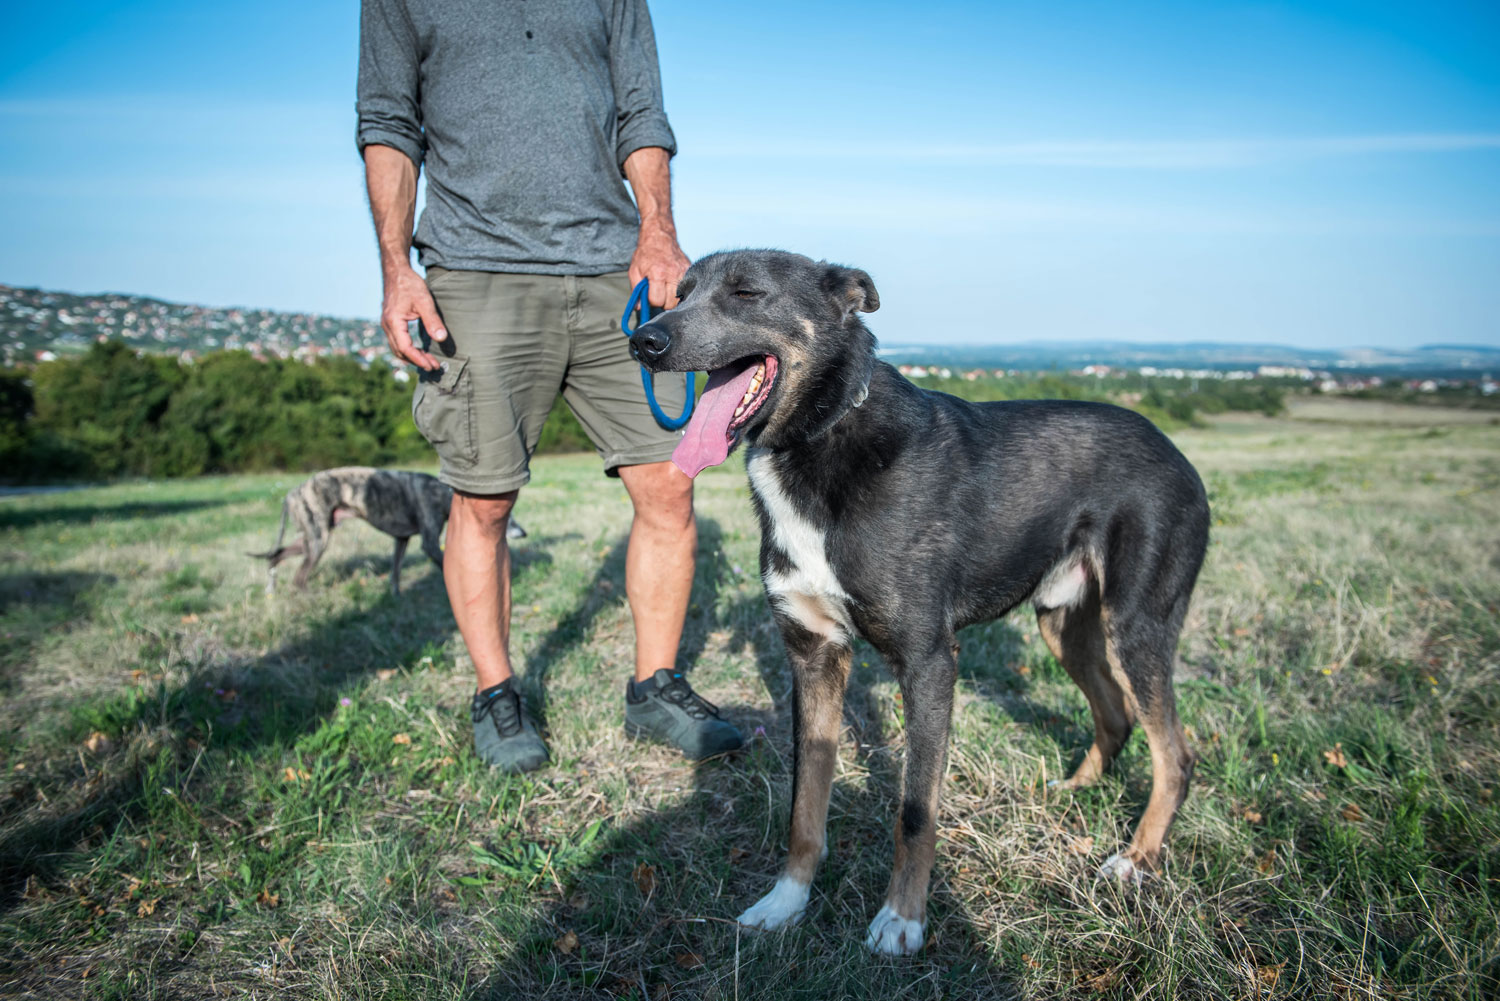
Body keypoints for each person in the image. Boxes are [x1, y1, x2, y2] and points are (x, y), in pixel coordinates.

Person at [356, 0, 742, 772]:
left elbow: (642, 113)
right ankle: (497, 696)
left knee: (669, 483)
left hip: (614, 271)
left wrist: (657, 229)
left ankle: (656, 688)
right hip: (476, 270)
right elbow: (391, 127)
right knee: (485, 496)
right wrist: (398, 272)